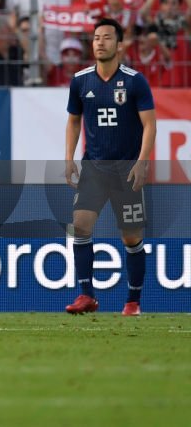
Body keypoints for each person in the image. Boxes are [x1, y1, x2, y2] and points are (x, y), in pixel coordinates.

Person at [64, 18, 156, 317]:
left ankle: (133, 301)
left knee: (130, 236)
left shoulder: (134, 80)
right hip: (94, 167)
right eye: (95, 38)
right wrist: (69, 158)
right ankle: (87, 295)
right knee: (80, 225)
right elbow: (74, 121)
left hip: (126, 169)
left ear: (119, 45)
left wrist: (142, 162)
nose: (99, 42)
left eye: (106, 37)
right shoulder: (81, 80)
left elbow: (149, 124)